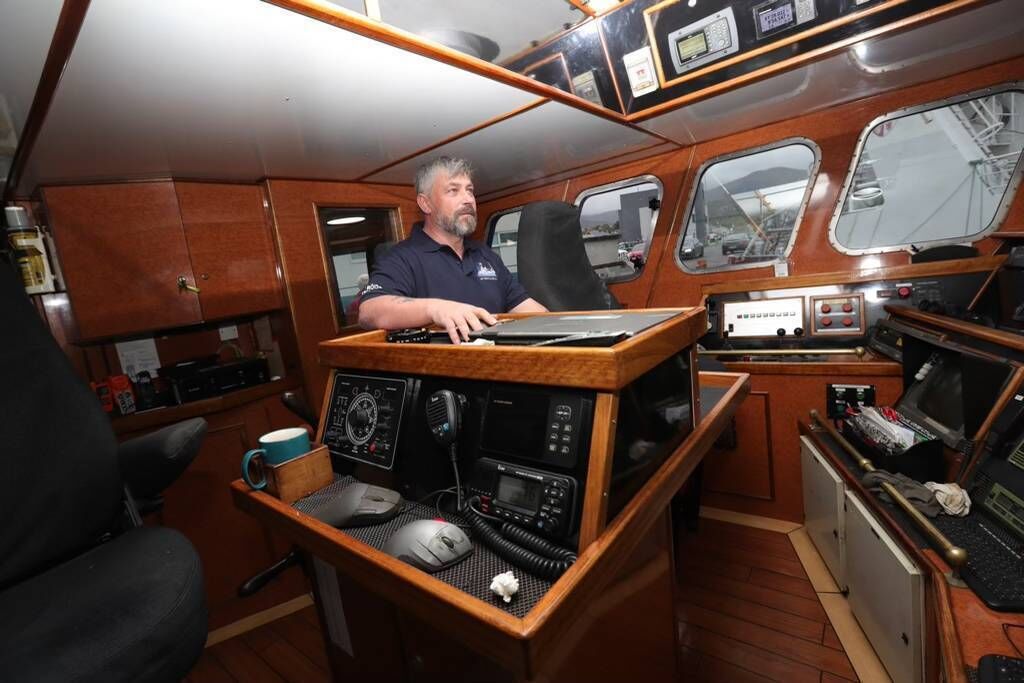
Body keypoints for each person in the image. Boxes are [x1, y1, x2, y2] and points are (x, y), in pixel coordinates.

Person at [358, 157, 546, 343]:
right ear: (426, 203)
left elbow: (529, 310)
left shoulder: (487, 256)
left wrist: (560, 324)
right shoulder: (401, 258)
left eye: (469, 190)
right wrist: (436, 309)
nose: (467, 200)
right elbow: (369, 311)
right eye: (453, 190)